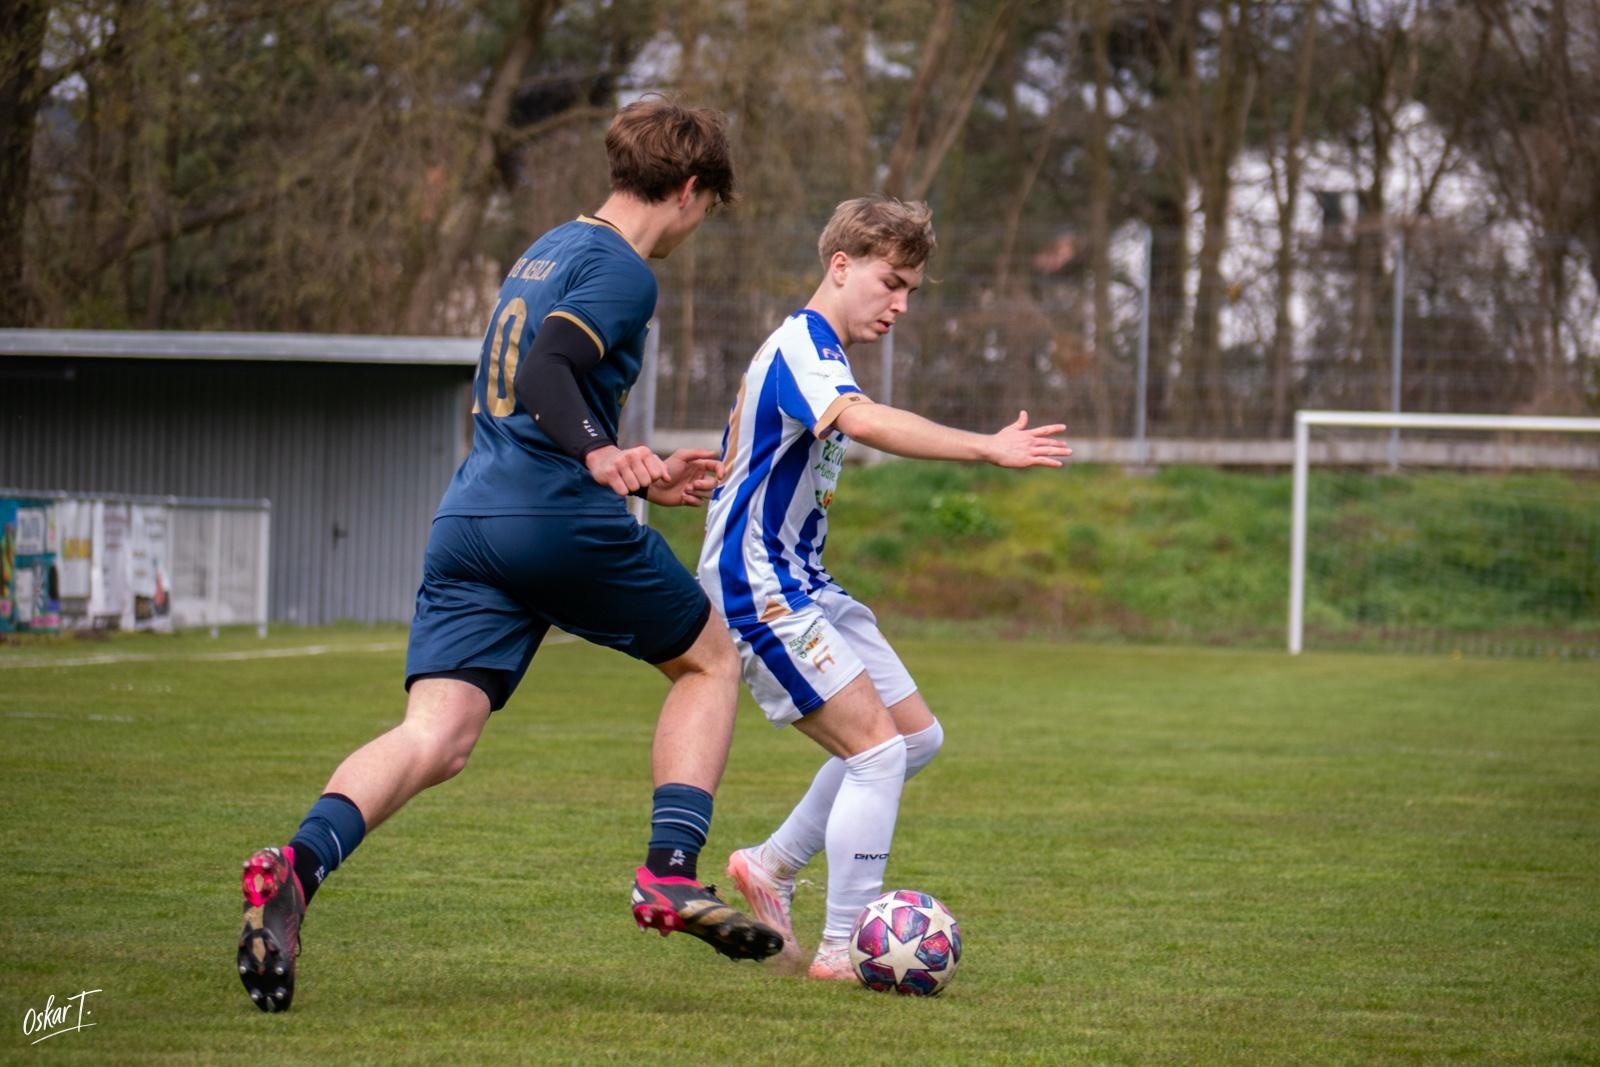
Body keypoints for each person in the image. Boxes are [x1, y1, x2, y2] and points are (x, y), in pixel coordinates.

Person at [237, 98, 783, 1014]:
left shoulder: (547, 248)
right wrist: (600, 456)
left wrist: (637, 471)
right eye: (707, 209)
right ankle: (670, 870)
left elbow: (538, 385)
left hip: (472, 517)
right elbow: (544, 374)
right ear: (690, 190)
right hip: (553, 515)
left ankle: (296, 866)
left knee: (436, 737)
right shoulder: (626, 270)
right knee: (710, 659)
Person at [697, 195, 1071, 979]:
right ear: (841, 266)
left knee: (915, 739)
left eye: (910, 290)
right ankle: (844, 947)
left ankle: (770, 864)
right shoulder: (804, 345)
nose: (900, 303)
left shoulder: (813, 352)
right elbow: (862, 423)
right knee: (875, 752)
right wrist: (987, 448)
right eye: (890, 282)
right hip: (759, 583)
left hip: (805, 579)